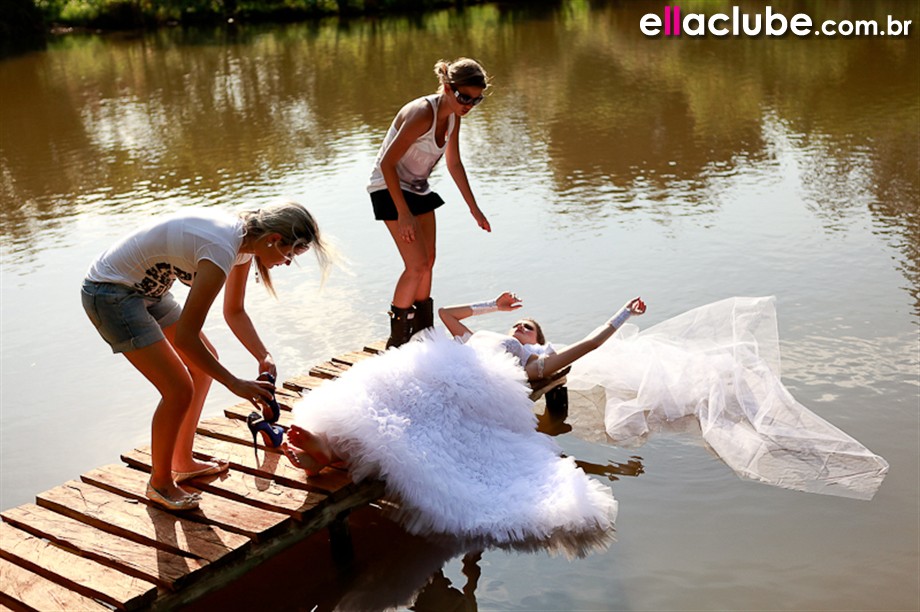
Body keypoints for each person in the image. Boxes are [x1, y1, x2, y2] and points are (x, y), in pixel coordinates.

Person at [281, 293, 645, 544]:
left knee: (410, 424)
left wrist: (623, 313)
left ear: (538, 341)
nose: (520, 325)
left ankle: (332, 453)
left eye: (528, 327)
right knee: (378, 389)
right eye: (517, 322)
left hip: (475, 389)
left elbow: (589, 345)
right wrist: (494, 306)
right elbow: (446, 316)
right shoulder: (482, 336)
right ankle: (327, 444)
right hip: (440, 367)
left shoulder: (533, 361)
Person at [81, 201, 330, 512]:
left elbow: (234, 311)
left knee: (203, 365)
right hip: (110, 294)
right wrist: (234, 383)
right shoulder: (222, 248)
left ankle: (181, 462)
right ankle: (159, 484)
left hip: (148, 290)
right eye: (291, 253)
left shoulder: (245, 242)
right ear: (274, 239)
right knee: (177, 388)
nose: (289, 262)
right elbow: (186, 337)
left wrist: (263, 356)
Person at [367, 58, 492, 349]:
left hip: (418, 189)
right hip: (389, 188)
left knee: (430, 261)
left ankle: (423, 331)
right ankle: (397, 340)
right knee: (416, 264)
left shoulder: (454, 117)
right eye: (464, 97)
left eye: (476, 100)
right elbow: (387, 164)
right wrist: (403, 213)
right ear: (448, 88)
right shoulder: (424, 113)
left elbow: (455, 163)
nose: (468, 105)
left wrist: (474, 208)